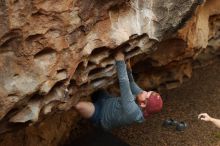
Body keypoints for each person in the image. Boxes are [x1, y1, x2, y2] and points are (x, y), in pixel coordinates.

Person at [74, 52, 163, 130]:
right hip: (107, 100)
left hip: (101, 115)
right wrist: (128, 69)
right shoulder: (142, 98)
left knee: (78, 105)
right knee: (93, 86)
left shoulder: (132, 112)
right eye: (148, 91)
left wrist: (120, 60)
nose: (144, 91)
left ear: (143, 104)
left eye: (146, 94)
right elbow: (131, 83)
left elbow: (124, 83)